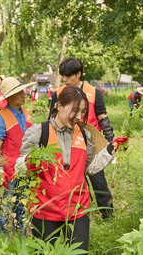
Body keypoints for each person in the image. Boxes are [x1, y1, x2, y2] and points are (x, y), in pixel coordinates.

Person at [16, 86, 116, 252]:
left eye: (83, 112)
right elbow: (20, 167)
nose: (78, 117)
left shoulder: (84, 135)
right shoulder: (39, 133)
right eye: (74, 110)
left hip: (78, 210)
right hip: (45, 211)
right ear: (59, 106)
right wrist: (29, 162)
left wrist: (110, 150)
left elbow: (89, 167)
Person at [49, 57, 115, 219]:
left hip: (90, 144)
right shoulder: (58, 93)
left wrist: (110, 142)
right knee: (69, 182)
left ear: (78, 74)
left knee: (98, 181)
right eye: (63, 75)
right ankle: (72, 215)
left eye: (69, 76)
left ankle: (108, 215)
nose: (65, 79)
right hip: (66, 144)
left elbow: (103, 119)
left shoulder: (94, 93)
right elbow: (51, 119)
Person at [0, 77, 36, 234]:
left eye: (23, 91)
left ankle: (19, 234)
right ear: (9, 97)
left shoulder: (27, 114)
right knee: (6, 206)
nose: (23, 95)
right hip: (8, 172)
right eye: (19, 93)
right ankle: (3, 238)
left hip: (25, 169)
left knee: (22, 204)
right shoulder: (0, 118)